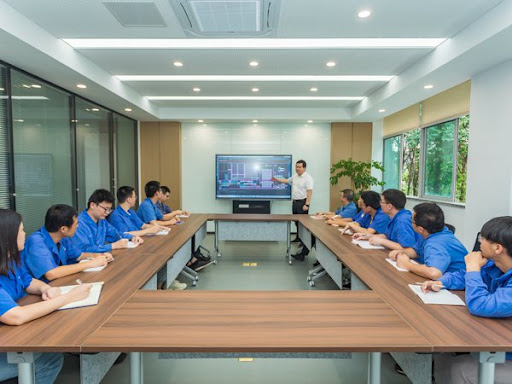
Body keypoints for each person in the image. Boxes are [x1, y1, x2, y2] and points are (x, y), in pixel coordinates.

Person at [0, 209, 91, 384]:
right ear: (8, 237)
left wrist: (43, 289)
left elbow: (27, 281)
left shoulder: (11, 258)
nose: (25, 234)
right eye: (21, 231)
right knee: (49, 359)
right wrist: (68, 297)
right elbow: (15, 316)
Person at [421, 216, 512, 384]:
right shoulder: (494, 264)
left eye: (482, 238)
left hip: (507, 353)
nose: (479, 243)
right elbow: (464, 277)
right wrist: (442, 282)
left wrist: (472, 267)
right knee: (444, 351)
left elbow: (481, 305)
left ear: (497, 248)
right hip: (497, 341)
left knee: (461, 369)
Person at [109, 186, 187, 290]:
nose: (136, 198)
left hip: (139, 243)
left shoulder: (130, 212)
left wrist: (158, 227)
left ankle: (164, 283)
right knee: (156, 257)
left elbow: (143, 225)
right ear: (128, 199)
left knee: (163, 252)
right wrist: (148, 231)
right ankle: (160, 285)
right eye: (134, 196)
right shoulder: (116, 215)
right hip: (127, 250)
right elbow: (125, 233)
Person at [23, 204, 113, 282]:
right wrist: (90, 264)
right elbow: (51, 273)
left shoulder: (63, 237)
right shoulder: (36, 242)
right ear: (63, 229)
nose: (78, 227)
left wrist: (99, 256)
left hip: (59, 283)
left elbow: (79, 255)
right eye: (76, 224)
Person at [388, 203, 467, 280]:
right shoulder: (434, 232)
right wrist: (401, 252)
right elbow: (416, 251)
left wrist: (407, 264)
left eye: (411, 220)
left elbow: (434, 273)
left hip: (458, 287)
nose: (410, 222)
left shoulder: (435, 243)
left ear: (420, 229)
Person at [72, 189, 143, 253]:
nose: (107, 212)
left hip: (100, 259)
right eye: (105, 209)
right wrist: (112, 246)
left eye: (109, 210)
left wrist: (131, 237)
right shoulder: (79, 224)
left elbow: (116, 234)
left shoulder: (101, 221)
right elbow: (83, 250)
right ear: (93, 205)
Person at [272, 159, 314, 261]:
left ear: (304, 168)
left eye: (299, 167)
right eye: (296, 167)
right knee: (296, 222)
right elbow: (287, 181)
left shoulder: (308, 178)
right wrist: (277, 179)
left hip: (302, 203)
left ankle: (303, 242)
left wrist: (307, 204)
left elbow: (309, 192)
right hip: (295, 202)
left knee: (302, 224)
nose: (297, 169)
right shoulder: (295, 177)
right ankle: (299, 238)